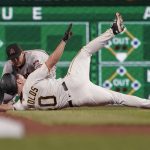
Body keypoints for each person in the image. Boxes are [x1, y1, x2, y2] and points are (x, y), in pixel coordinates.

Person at [0, 12, 150, 112]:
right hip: (72, 82)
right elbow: (52, 60)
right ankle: (113, 30)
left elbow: (7, 107)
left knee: (118, 99)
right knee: (85, 51)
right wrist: (64, 40)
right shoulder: (31, 80)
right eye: (17, 77)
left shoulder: (24, 105)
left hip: (79, 99)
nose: (19, 76)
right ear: (18, 83)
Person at [0, 24, 72, 104]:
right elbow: (4, 85)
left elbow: (42, 74)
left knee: (42, 92)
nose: (15, 60)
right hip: (27, 79)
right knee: (6, 95)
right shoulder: (9, 65)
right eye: (12, 58)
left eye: (17, 57)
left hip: (47, 72)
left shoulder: (35, 57)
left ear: (23, 53)